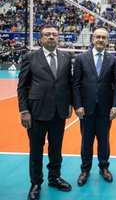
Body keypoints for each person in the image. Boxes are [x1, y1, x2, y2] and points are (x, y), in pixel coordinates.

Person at [17, 25, 73, 200]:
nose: (51, 37)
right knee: (35, 150)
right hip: (36, 112)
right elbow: (22, 86)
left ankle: (54, 177)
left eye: (54, 34)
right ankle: (36, 183)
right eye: (47, 34)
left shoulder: (66, 57)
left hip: (59, 112)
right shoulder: (30, 57)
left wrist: (70, 103)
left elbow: (68, 84)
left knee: (56, 149)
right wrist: (24, 110)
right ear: (40, 39)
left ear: (58, 38)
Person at [73, 28, 116, 186]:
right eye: (98, 37)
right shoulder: (80, 58)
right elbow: (76, 84)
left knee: (104, 140)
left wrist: (115, 106)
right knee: (86, 140)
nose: (100, 39)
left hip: (105, 109)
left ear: (107, 41)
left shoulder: (113, 60)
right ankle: (85, 169)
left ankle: (104, 167)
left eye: (104, 37)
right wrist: (77, 105)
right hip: (86, 108)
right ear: (93, 39)